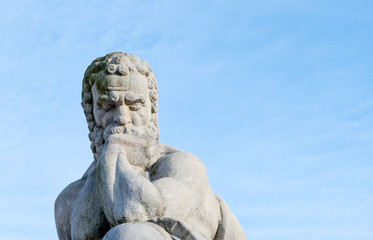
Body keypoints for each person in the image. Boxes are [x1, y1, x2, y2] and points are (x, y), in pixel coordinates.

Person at [55, 52, 246, 240]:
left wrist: (114, 153)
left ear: (152, 109)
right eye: (107, 106)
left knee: (133, 233)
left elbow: (134, 212)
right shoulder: (69, 198)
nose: (122, 118)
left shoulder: (183, 166)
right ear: (91, 112)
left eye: (135, 106)